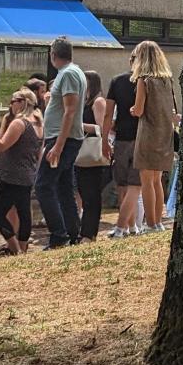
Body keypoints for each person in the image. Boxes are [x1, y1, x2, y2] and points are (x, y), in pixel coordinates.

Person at [36, 37, 89, 248]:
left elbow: (70, 111)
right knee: (64, 187)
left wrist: (58, 146)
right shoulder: (74, 72)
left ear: (53, 55)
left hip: (62, 139)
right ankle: (72, 231)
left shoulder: (67, 74)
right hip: (64, 137)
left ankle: (58, 235)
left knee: (43, 186)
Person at [0, 88, 44, 254]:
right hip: (28, 172)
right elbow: (39, 152)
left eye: (13, 101)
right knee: (24, 211)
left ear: (23, 102)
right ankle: (22, 247)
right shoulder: (38, 122)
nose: (10, 104)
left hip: (13, 174)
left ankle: (15, 246)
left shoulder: (20, 123)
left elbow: (1, 145)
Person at [132, 41, 179, 234]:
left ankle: (150, 223)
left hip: (148, 133)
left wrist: (133, 110)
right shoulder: (167, 80)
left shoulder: (144, 80)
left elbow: (139, 109)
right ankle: (157, 221)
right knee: (157, 180)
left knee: (146, 180)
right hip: (164, 134)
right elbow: (173, 110)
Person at [104, 56, 143, 239]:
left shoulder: (117, 81)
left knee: (122, 183)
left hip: (121, 138)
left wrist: (104, 139)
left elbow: (108, 113)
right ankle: (133, 225)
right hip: (141, 138)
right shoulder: (147, 82)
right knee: (135, 184)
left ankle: (126, 226)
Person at [75, 70, 110, 241]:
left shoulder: (98, 102)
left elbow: (101, 128)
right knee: (84, 193)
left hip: (94, 154)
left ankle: (89, 233)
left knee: (91, 195)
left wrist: (79, 125)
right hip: (82, 154)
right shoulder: (84, 102)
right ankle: (85, 231)